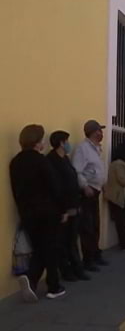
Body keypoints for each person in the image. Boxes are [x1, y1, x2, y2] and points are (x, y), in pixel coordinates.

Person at [10, 125, 66, 301]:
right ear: (37, 142)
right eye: (42, 139)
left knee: (41, 248)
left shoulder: (15, 162)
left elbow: (16, 190)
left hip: (27, 212)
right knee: (50, 248)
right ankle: (50, 285)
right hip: (47, 211)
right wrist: (63, 209)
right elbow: (55, 187)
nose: (43, 143)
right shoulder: (42, 161)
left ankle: (35, 283)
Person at [47, 131, 89, 282]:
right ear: (61, 143)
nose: (69, 144)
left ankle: (77, 269)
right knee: (63, 242)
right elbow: (56, 187)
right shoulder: (52, 160)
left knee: (72, 240)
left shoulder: (65, 159)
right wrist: (64, 209)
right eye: (67, 141)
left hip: (74, 206)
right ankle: (67, 271)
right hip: (63, 209)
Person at [72, 120, 108, 272]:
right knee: (87, 227)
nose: (102, 133)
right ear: (95, 132)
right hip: (87, 192)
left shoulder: (96, 149)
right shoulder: (83, 149)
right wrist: (85, 186)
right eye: (100, 130)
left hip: (96, 190)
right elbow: (77, 170)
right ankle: (88, 259)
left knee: (95, 225)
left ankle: (95, 254)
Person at [104, 143, 125, 250]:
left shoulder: (116, 163)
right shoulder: (119, 164)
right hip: (118, 196)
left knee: (121, 220)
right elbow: (122, 180)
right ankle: (124, 243)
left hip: (116, 195)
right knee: (121, 221)